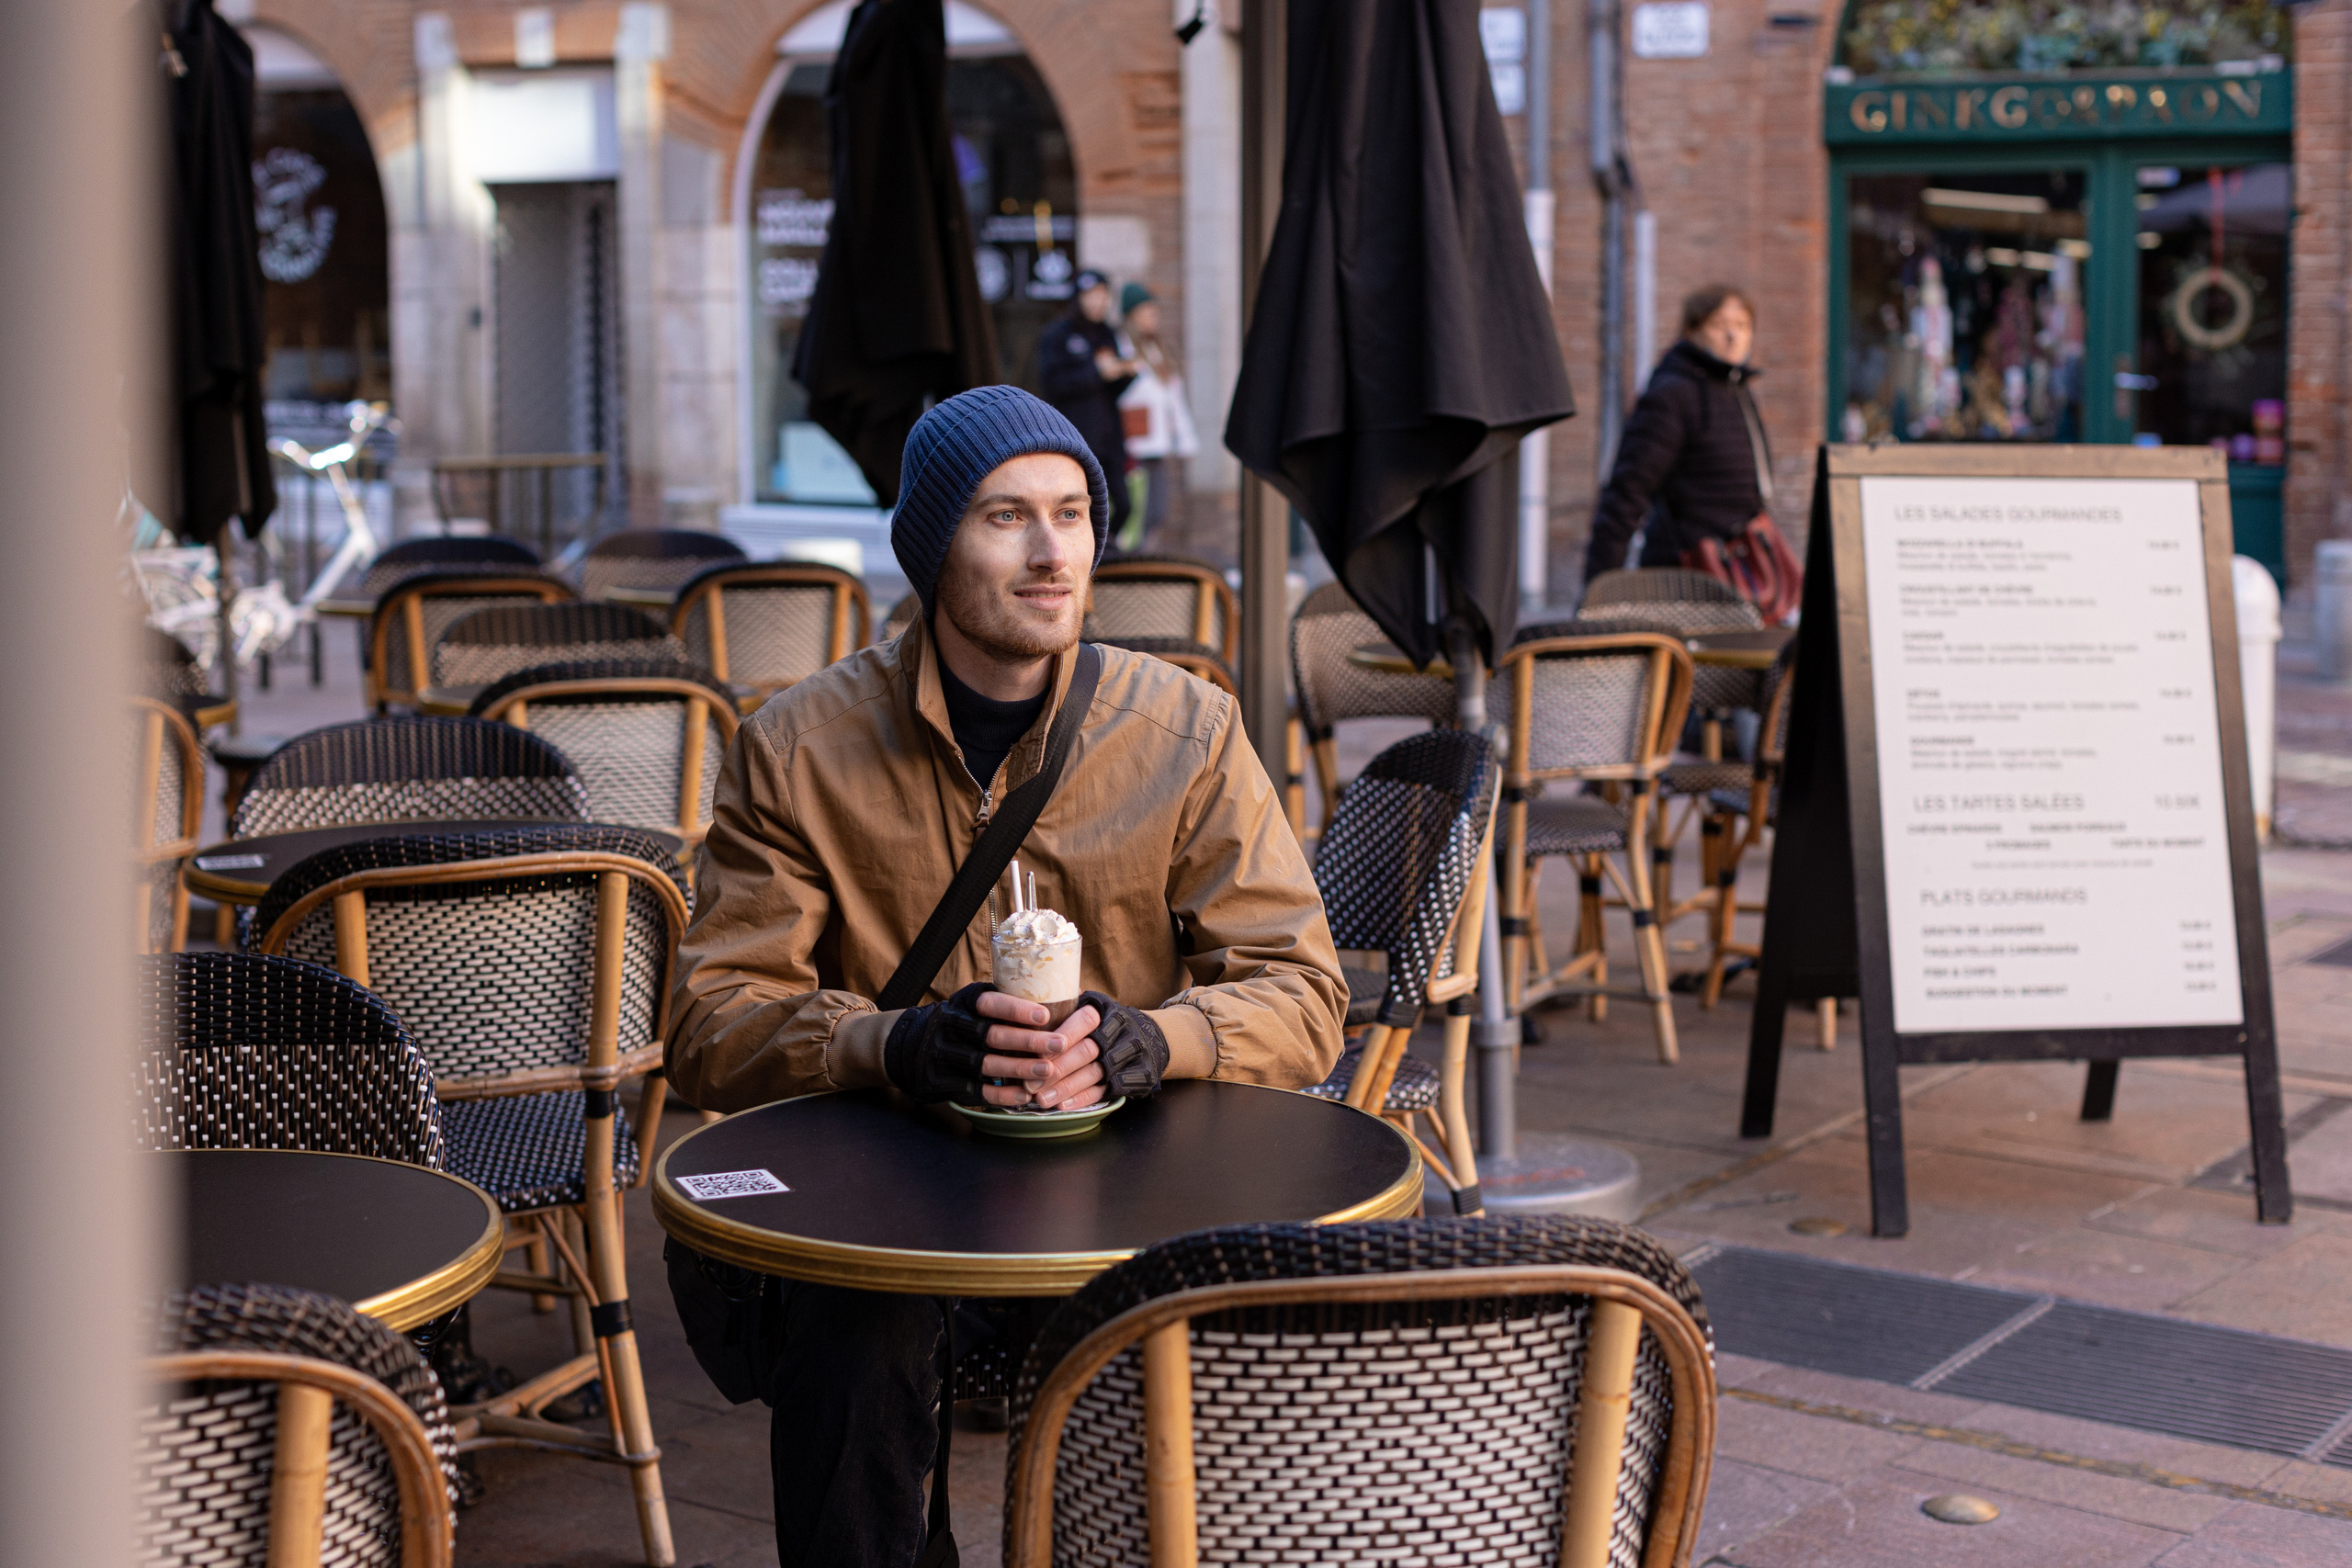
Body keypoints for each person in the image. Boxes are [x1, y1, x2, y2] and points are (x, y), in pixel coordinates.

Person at [663, 383, 1346, 1568]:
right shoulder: (799, 745)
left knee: (1203, 1379)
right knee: (851, 1332)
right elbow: (711, 1024)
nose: (1051, 555)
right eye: (1005, 517)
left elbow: (1302, 989)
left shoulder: (1182, 729)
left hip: (1123, 1205)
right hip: (890, 1198)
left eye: (1073, 514)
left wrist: (1150, 1039)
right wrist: (891, 1045)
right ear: (933, 547)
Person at [1583, 284, 1777, 580]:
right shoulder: (1673, 394)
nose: (1733, 336)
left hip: (1737, 566)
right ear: (1692, 331)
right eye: (1719, 325)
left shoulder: (1737, 389)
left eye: (1742, 325)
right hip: (1686, 570)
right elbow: (1627, 492)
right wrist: (1599, 582)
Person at [1035, 268, 1139, 544]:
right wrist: (1096, 373)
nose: (1098, 302)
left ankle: (1106, 552)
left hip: (1110, 439)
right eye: (1091, 296)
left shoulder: (1107, 333)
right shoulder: (1058, 334)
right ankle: (1092, 564)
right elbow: (1053, 384)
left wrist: (1127, 373)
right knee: (1083, 509)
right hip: (1076, 440)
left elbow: (1112, 391)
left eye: (1103, 296)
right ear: (1078, 298)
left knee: (1124, 505)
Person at [1114, 282, 1200, 551]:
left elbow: (1172, 396)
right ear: (1131, 314)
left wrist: (1184, 438)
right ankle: (1132, 564)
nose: (1153, 316)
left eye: (1154, 310)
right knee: (1135, 514)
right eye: (1146, 310)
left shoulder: (1158, 350)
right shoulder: (1121, 348)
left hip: (1158, 445)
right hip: (1134, 445)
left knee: (1158, 511)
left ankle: (1145, 559)